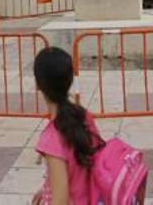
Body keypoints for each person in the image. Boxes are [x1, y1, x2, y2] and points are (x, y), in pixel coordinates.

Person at [32, 47, 103, 205]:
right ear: (70, 80)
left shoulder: (51, 140)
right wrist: (48, 187)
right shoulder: (84, 116)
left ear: (38, 84)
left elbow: (61, 201)